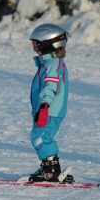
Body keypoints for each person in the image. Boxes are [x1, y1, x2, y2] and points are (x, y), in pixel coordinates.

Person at [27, 23, 71, 183]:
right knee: (43, 136)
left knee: (41, 137)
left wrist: (44, 106)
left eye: (35, 44)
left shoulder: (51, 65)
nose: (33, 47)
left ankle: (51, 170)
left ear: (46, 44)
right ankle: (50, 167)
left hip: (50, 110)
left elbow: (51, 86)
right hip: (51, 110)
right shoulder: (51, 63)